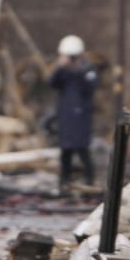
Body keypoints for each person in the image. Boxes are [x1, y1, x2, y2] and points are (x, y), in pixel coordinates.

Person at [47, 34, 97, 191]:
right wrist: (60, 67)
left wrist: (77, 69)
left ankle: (89, 180)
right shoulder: (63, 72)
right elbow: (52, 83)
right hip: (66, 115)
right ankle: (64, 181)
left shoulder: (88, 69)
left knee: (83, 149)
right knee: (65, 151)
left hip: (81, 116)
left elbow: (91, 86)